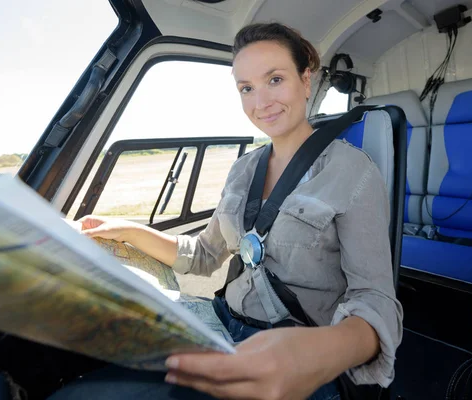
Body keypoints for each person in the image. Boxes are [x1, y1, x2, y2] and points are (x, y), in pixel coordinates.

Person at [50, 22, 403, 400]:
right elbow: (203, 255)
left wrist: (318, 352)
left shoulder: (353, 171)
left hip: (296, 355)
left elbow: (376, 298)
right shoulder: (243, 170)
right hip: (217, 324)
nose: (260, 102)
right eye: (246, 88)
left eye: (275, 79)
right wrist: (125, 230)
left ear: (306, 80)